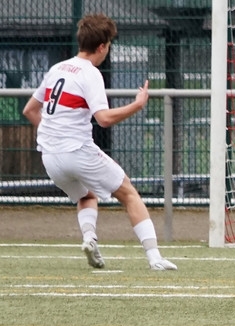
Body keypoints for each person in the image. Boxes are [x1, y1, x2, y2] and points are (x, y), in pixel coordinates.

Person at [22, 14, 177, 271]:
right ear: (102, 46)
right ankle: (155, 258)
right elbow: (103, 119)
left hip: (50, 157)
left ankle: (89, 239)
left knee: (86, 195)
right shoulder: (90, 73)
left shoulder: (57, 69)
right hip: (77, 151)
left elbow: (29, 110)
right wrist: (137, 105)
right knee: (129, 193)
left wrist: (54, 135)